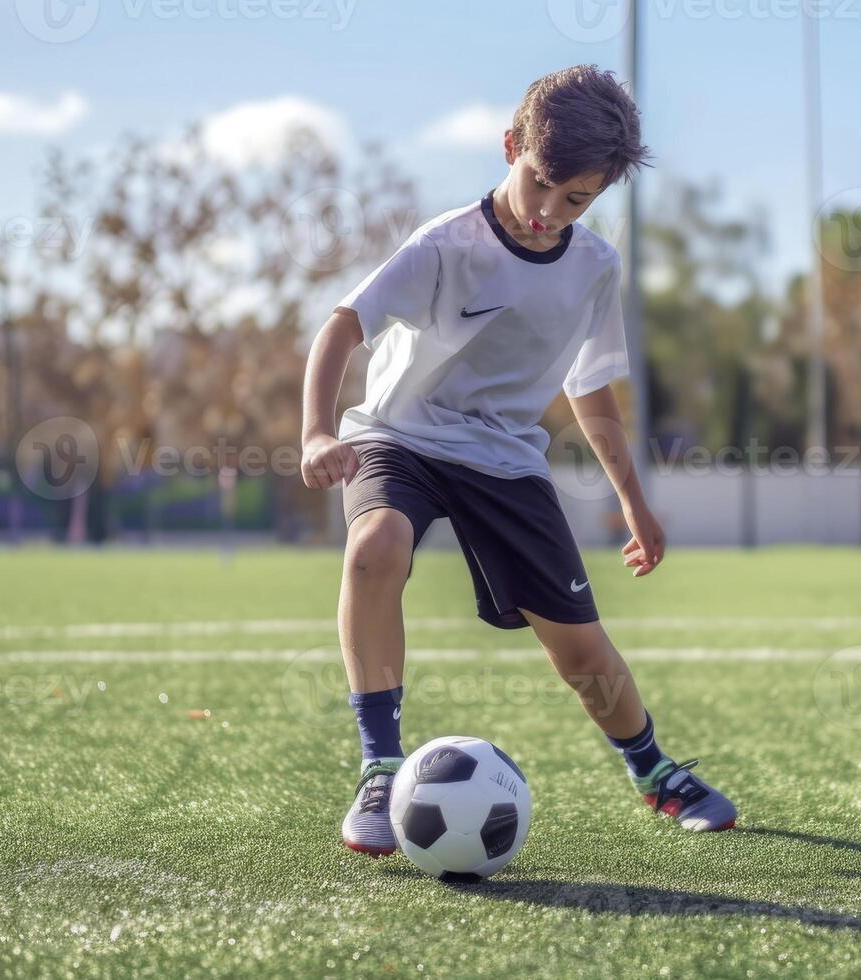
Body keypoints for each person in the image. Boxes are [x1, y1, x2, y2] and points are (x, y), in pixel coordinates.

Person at [299, 65, 737, 856]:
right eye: (540, 184)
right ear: (511, 146)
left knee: (578, 650)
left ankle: (654, 772)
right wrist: (316, 434)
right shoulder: (443, 246)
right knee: (375, 547)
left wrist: (634, 502)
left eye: (576, 200)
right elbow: (340, 326)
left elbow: (591, 395)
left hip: (505, 461)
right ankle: (378, 766)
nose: (548, 213)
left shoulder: (595, 270)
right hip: (399, 437)